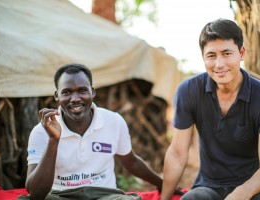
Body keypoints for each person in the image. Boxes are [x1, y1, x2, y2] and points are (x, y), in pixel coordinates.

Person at [160, 19, 260, 200]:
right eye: (211, 56)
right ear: (203, 57)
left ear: (241, 53)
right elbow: (177, 154)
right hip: (209, 186)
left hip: (254, 188)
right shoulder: (189, 91)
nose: (219, 64)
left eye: (226, 53)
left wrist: (240, 194)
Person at [23, 64, 163, 200]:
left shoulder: (113, 121)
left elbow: (131, 162)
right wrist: (53, 141)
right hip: (60, 196)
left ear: (93, 92)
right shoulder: (41, 132)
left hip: (105, 195)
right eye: (67, 92)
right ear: (56, 95)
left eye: (82, 90)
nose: (75, 99)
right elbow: (35, 194)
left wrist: (162, 184)